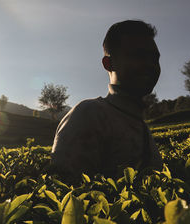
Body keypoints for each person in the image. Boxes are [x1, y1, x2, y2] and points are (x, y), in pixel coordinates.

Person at [51, 20, 163, 179]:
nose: (150, 65)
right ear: (108, 63)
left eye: (154, 58)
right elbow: (65, 191)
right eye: (138, 55)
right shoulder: (89, 115)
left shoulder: (140, 125)